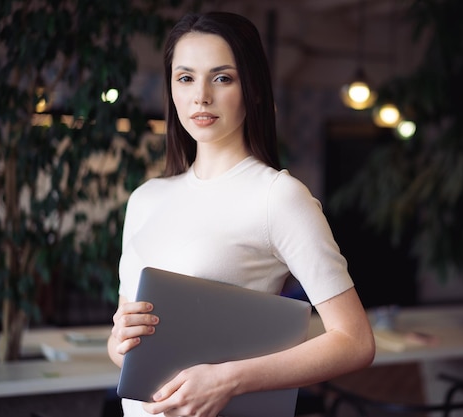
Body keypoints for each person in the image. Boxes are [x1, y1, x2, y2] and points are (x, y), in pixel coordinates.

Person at [107, 11, 375, 417]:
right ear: (172, 90)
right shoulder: (145, 199)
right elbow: (123, 348)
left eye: (222, 78)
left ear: (251, 90)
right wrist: (120, 340)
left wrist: (228, 379)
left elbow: (355, 341)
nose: (201, 96)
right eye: (185, 78)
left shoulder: (278, 197)